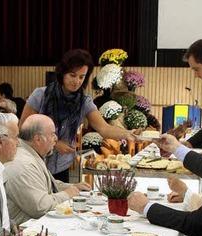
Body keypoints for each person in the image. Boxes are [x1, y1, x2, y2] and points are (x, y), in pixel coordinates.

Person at [21, 49, 135, 182]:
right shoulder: (40, 95)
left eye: (82, 77)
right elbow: (23, 130)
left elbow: (104, 128)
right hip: (34, 164)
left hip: (62, 168)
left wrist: (128, 134)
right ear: (62, 73)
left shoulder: (84, 101)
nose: (77, 81)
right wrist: (55, 143)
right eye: (72, 75)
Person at [5, 114, 90, 225]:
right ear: (38, 139)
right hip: (24, 234)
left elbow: (45, 184)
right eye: (52, 134)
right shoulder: (23, 164)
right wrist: (67, 194)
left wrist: (72, 187)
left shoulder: (31, 155)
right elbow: (40, 207)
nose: (56, 139)